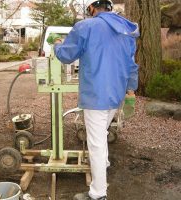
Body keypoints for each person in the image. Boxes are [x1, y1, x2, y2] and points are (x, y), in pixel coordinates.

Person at [47, 0, 139, 199]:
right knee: (102, 134)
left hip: (96, 96)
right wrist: (131, 91)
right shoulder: (126, 29)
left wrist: (56, 44)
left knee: (95, 143)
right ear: (109, 7)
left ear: (91, 8)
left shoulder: (85, 26)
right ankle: (103, 165)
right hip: (116, 95)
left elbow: (66, 55)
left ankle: (98, 193)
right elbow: (131, 65)